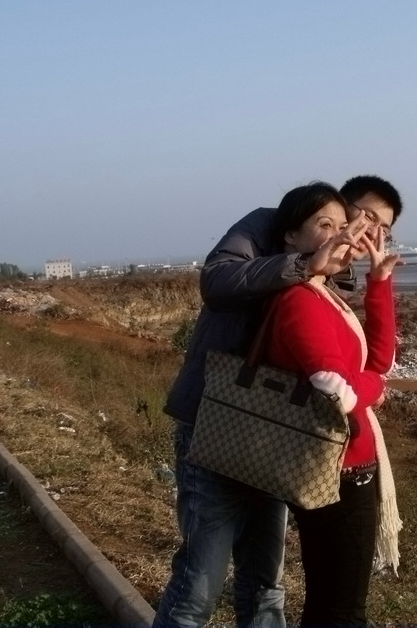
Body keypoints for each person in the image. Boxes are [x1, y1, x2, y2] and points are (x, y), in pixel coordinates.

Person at [152, 176, 403, 628]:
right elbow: (217, 280)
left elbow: (367, 359)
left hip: (277, 434)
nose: (366, 230)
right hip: (217, 420)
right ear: (342, 206)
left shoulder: (331, 275)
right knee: (199, 588)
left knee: (265, 584)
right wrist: (306, 264)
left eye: (381, 227)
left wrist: (376, 281)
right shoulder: (270, 228)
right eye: (363, 216)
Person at [263, 181, 401, 628]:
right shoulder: (300, 299)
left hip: (345, 466)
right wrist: (374, 388)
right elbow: (336, 388)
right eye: (328, 225)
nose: (349, 234)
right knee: (341, 611)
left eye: (380, 228)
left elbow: (380, 362)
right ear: (291, 236)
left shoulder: (325, 295)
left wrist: (379, 283)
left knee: (333, 604)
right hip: (337, 470)